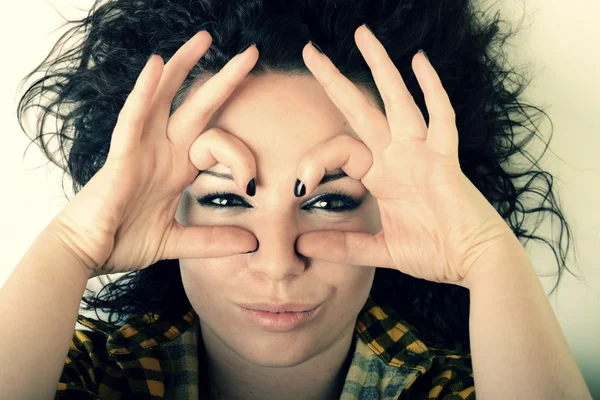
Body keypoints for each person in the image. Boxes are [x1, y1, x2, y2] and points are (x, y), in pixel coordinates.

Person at [0, 0, 592, 398]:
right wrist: (71, 246)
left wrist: (487, 254)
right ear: (163, 205)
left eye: (332, 202)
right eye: (227, 200)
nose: (279, 262)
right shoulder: (90, 377)